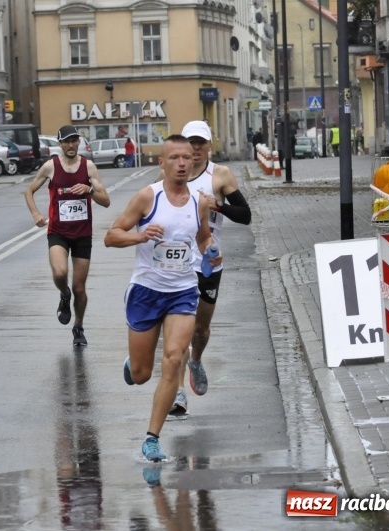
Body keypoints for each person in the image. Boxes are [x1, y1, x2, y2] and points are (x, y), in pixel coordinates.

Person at [104, 134, 220, 462]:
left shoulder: (200, 201)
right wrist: (140, 235)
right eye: (175, 158)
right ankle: (134, 363)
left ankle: (152, 438)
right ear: (162, 163)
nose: (183, 163)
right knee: (142, 375)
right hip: (145, 291)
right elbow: (111, 236)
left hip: (182, 293)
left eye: (187, 158)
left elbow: (203, 237)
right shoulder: (147, 198)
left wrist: (211, 252)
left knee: (172, 359)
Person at [166, 120, 251, 418]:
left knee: (199, 330)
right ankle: (178, 394)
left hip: (209, 263)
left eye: (201, 142)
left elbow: (245, 215)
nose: (196, 148)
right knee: (179, 333)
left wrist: (218, 205)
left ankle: (197, 360)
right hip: (176, 264)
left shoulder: (220, 175)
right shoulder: (171, 174)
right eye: (191, 142)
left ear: (209, 146)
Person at [25, 125, 110, 346]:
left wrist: (90, 190)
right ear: (60, 144)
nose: (71, 145)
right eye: (66, 142)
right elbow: (29, 190)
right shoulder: (50, 167)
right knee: (60, 272)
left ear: (78, 143)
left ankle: (78, 327)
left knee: (80, 287)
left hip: (82, 234)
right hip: (58, 232)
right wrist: (36, 214)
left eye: (74, 141)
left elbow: (106, 201)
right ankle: (64, 294)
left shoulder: (88, 167)